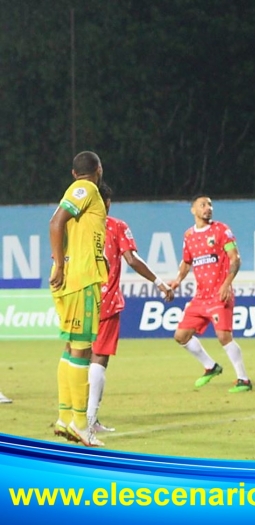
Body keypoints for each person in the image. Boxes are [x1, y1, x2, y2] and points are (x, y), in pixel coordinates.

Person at [88, 182, 175, 433]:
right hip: (105, 300)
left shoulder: (74, 226)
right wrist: (158, 282)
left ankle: (69, 417)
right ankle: (90, 420)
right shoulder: (115, 226)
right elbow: (131, 259)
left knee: (77, 356)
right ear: (106, 202)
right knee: (99, 358)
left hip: (78, 300)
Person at [49, 151, 109, 447]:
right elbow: (55, 222)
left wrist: (61, 262)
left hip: (72, 277)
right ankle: (81, 424)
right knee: (83, 351)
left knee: (71, 348)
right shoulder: (86, 189)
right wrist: (60, 265)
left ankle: (64, 418)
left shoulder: (77, 191)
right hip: (80, 280)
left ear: (74, 172)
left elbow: (63, 226)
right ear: (98, 170)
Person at [169, 195, 252, 393]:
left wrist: (226, 285)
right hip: (200, 296)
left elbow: (235, 258)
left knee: (223, 336)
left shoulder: (221, 230)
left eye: (210, 205)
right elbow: (187, 261)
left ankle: (244, 379)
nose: (208, 208)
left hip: (219, 293)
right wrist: (178, 280)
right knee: (181, 336)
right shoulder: (189, 235)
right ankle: (211, 366)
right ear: (193, 210)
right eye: (203, 205)